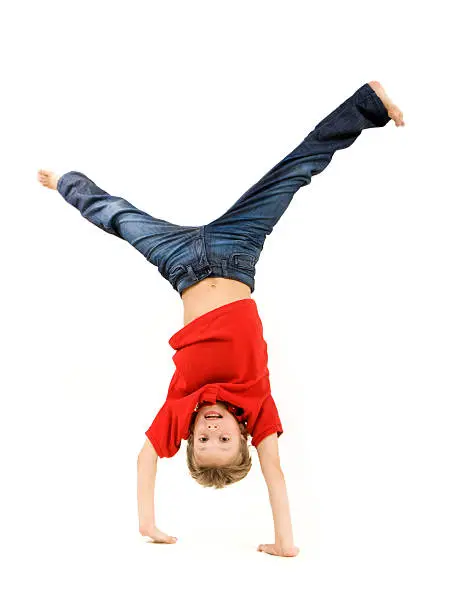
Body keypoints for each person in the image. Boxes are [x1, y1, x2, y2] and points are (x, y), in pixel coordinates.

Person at [37, 80, 404, 557]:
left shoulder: (178, 411)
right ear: (244, 437)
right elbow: (274, 473)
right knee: (291, 174)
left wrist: (148, 524)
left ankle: (64, 182)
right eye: (224, 438)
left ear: (187, 438)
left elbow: (145, 459)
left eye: (204, 438)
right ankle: (368, 104)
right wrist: (285, 543)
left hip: (181, 265)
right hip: (237, 251)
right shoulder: (259, 410)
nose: (212, 426)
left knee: (118, 217)